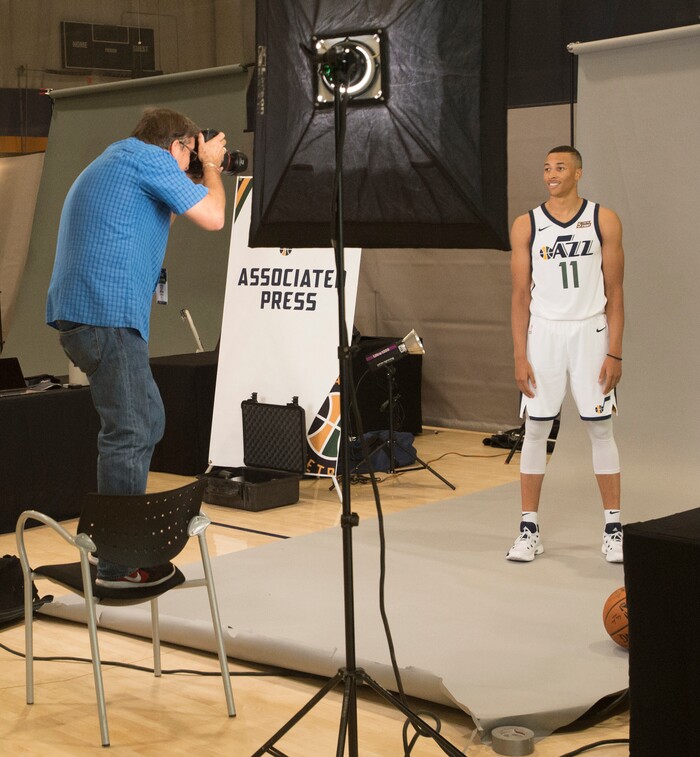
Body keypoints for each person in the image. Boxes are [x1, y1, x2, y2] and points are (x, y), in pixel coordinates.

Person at [46, 107, 228, 587]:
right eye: (189, 151)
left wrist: (197, 163)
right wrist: (209, 164)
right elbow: (212, 216)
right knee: (129, 431)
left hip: (94, 316)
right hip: (106, 316)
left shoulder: (119, 161)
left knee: (147, 420)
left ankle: (124, 546)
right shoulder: (148, 160)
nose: (191, 163)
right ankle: (116, 563)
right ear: (175, 147)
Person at [507, 145, 624, 563]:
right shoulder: (527, 225)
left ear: (578, 172)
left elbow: (616, 293)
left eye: (559, 167)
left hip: (591, 331)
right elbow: (520, 296)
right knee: (536, 430)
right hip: (545, 335)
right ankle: (528, 528)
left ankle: (613, 528)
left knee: (600, 429)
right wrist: (520, 355)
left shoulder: (602, 219)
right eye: (545, 168)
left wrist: (615, 352)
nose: (550, 174)